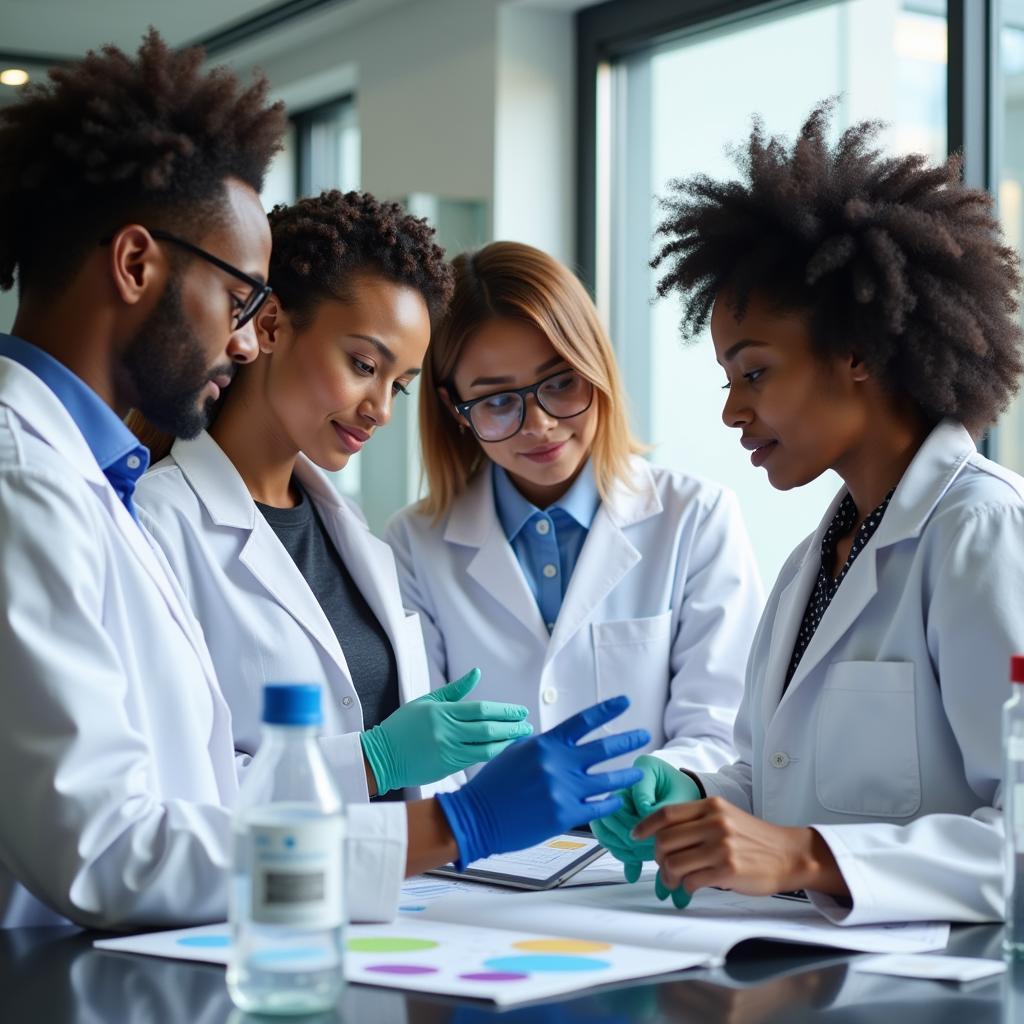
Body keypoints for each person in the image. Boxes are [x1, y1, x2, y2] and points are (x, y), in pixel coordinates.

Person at [0, 31, 648, 930]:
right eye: (238, 303)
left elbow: (195, 795)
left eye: (402, 383)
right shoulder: (27, 480)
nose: (240, 339)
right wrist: (451, 822)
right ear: (137, 264)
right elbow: (111, 850)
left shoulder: (98, 481)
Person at [593, 101, 1024, 925]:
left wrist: (807, 857)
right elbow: (776, 778)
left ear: (857, 351)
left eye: (753, 373)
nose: (731, 413)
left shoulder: (980, 533)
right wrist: (688, 798)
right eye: (726, 379)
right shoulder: (815, 559)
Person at [132, 190, 530, 806]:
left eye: (399, 385)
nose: (381, 411)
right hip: (248, 895)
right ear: (268, 327)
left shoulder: (353, 537)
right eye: (364, 364)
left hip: (393, 893)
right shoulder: (157, 523)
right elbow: (170, 790)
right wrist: (371, 762)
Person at [385, 241, 763, 776]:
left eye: (561, 383)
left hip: (644, 844)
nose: (539, 424)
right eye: (497, 401)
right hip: (484, 852)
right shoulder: (414, 544)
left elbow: (721, 729)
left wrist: (649, 792)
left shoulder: (696, 518)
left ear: (596, 366)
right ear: (455, 409)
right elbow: (427, 746)